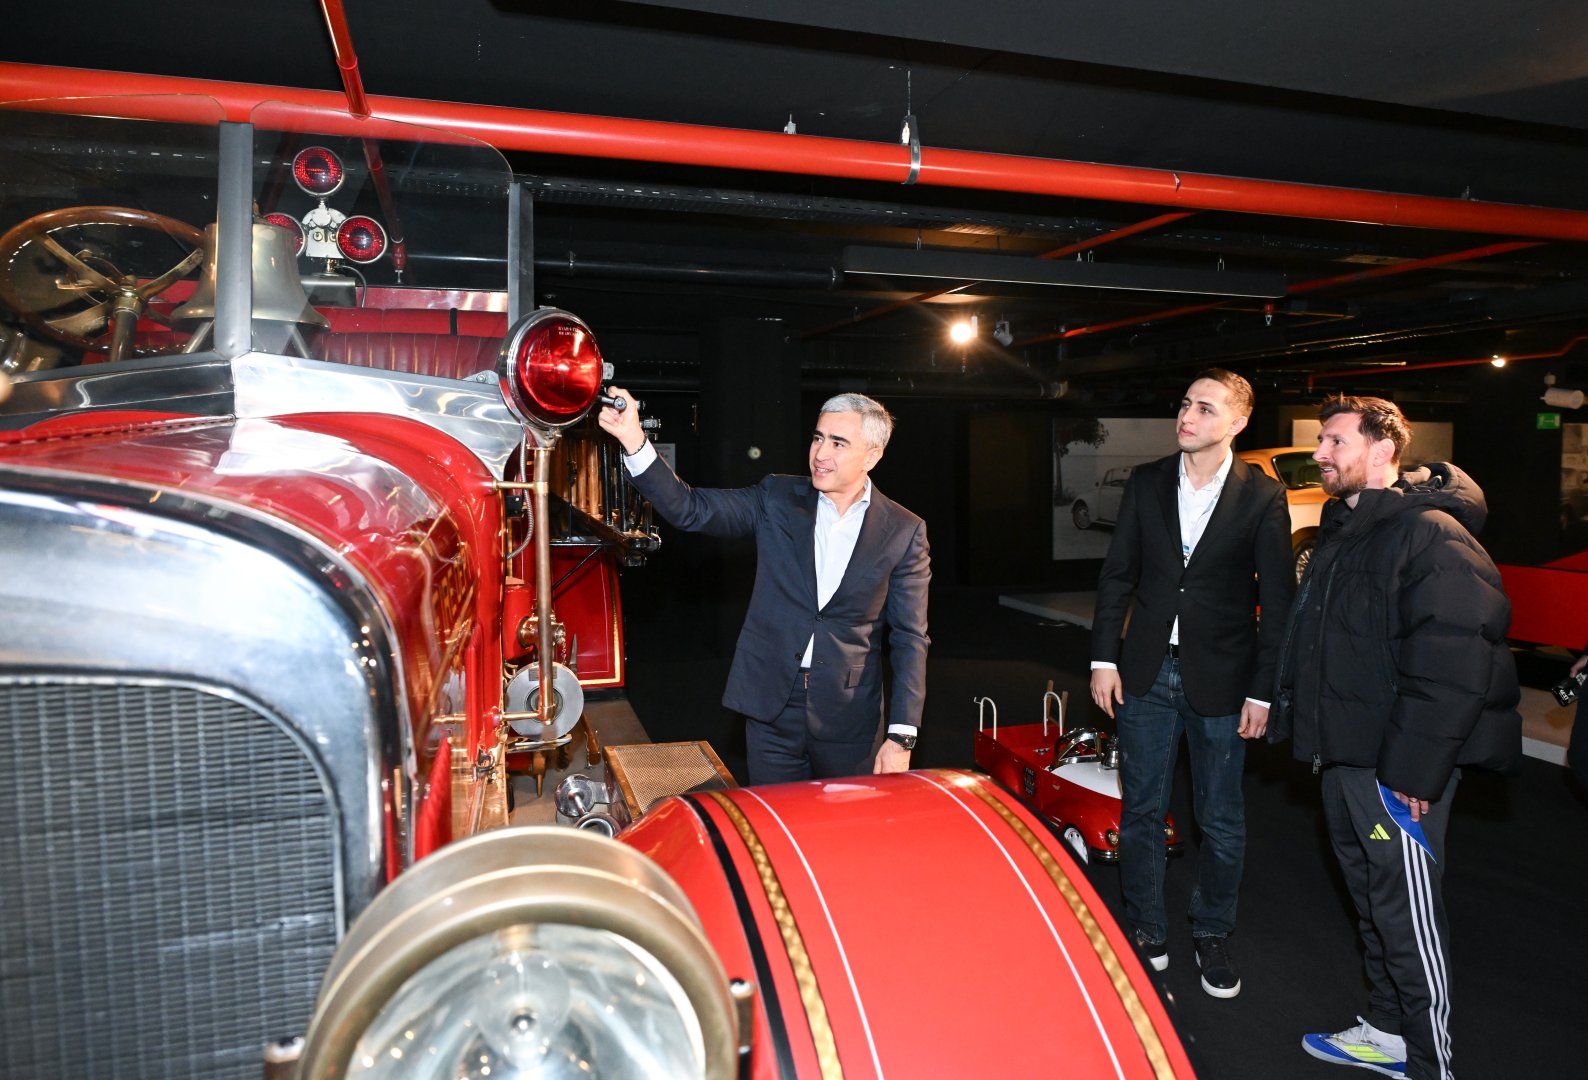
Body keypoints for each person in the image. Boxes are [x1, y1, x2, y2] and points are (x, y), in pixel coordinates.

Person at [1271, 395, 1520, 1080]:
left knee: (1408, 922)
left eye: (1334, 442)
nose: (1321, 454)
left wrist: (1413, 773)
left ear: (1383, 450)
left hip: (1395, 771)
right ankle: (1385, 1032)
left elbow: (1454, 663)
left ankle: (1430, 1063)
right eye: (1321, 441)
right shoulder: (1344, 530)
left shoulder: (1431, 534)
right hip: (1345, 757)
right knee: (1374, 909)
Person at [598, 388, 929, 784]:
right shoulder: (777, 497)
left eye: (839, 443)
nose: (821, 453)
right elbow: (692, 510)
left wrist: (901, 737)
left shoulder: (904, 530)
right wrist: (635, 441)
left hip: (849, 716)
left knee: (844, 834)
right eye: (818, 437)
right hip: (772, 705)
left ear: (872, 455)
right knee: (772, 829)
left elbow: (910, 637)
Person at [1089, 368, 1295, 999]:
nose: (1187, 416)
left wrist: (1263, 690)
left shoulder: (1261, 496)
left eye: (1204, 409)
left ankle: (1211, 930)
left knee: (1221, 818)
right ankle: (1147, 927)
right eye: (1184, 405)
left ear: (1236, 422)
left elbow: (1279, 604)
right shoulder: (1148, 482)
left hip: (1225, 682)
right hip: (1144, 672)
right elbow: (1118, 574)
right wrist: (1104, 658)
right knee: (1142, 808)